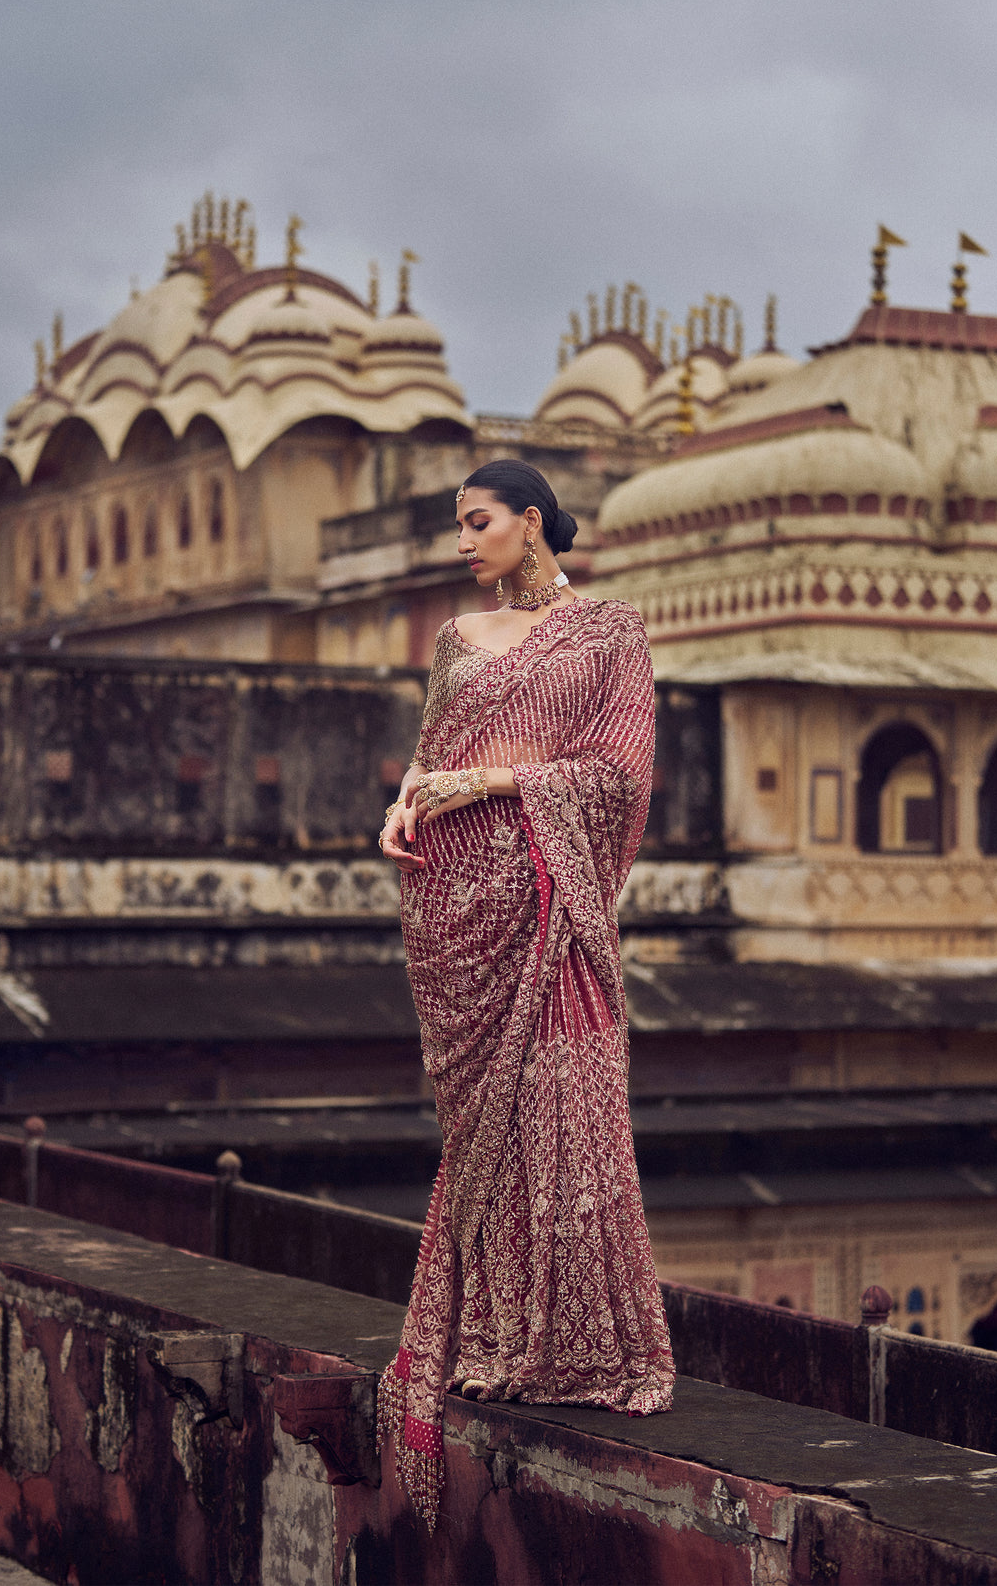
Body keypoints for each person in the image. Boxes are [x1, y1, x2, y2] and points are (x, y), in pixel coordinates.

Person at [376, 459, 675, 1529]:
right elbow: (425, 763)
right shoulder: (456, 641)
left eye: (477, 521)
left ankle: (580, 1347)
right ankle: (500, 1341)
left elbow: (620, 774)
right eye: (457, 525)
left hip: (546, 901)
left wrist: (497, 783)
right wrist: (403, 809)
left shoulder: (608, 633)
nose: (462, 541)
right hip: (450, 904)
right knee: (478, 1130)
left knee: (563, 1106)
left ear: (531, 522)